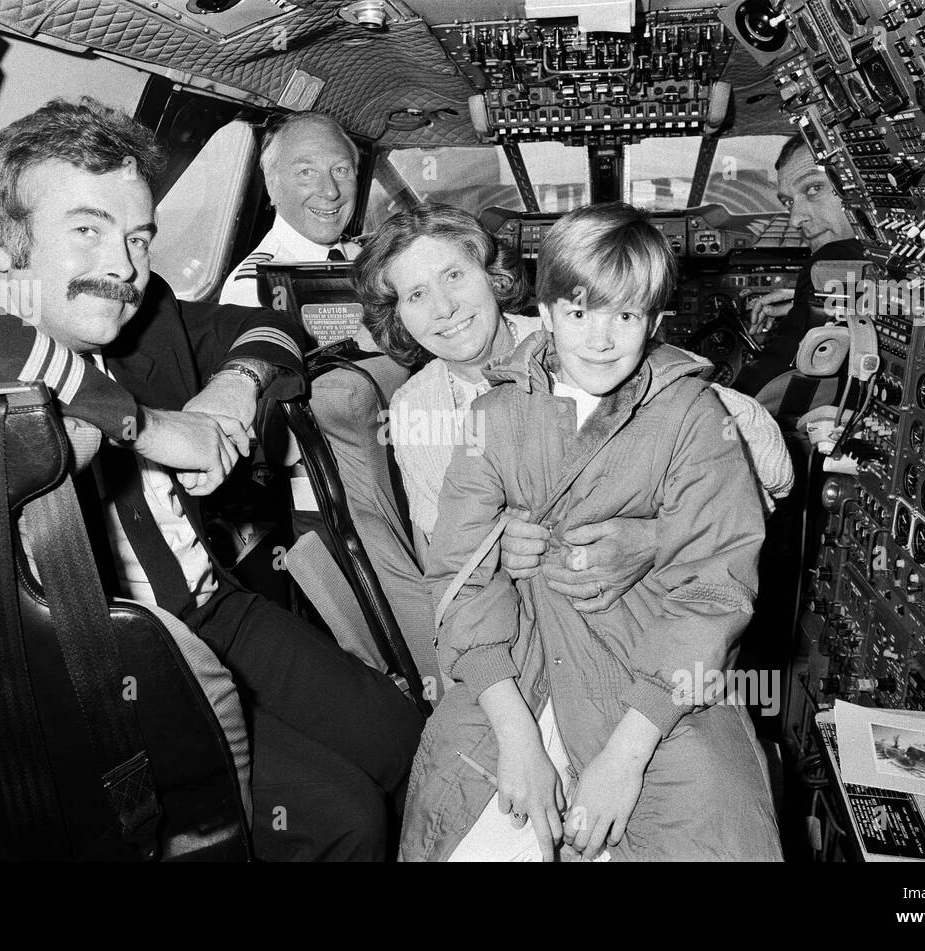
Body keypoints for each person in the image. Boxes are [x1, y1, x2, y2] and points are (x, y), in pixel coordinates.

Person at [0, 97, 422, 862]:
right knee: (343, 816)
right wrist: (141, 421)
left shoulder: (149, 319)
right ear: (6, 252)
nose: (124, 265)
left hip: (217, 607)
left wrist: (231, 387)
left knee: (403, 737)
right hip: (107, 667)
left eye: (138, 236)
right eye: (87, 230)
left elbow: (273, 328)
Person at [400, 202, 783, 862]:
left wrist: (626, 758)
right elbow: (461, 583)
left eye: (625, 315)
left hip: (656, 671)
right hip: (518, 661)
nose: (600, 338)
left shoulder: (693, 413)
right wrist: (519, 738)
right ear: (546, 313)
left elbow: (713, 592)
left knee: (720, 823)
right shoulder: (491, 414)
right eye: (578, 312)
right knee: (448, 811)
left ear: (657, 322)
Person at [354, 203, 792, 611]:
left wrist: (657, 536)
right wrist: (489, 553)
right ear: (398, 316)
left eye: (454, 276)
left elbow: (771, 464)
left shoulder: (581, 340)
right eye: (415, 295)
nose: (444, 308)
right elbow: (440, 554)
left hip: (643, 610)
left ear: (493, 277)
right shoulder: (413, 407)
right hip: (516, 621)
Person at [734, 133, 864, 401]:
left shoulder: (832, 259)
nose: (795, 219)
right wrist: (804, 303)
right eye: (789, 202)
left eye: (813, 188)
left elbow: (760, 396)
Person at [219, 111, 362, 307]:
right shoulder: (257, 291)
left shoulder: (360, 256)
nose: (330, 192)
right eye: (306, 172)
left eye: (341, 170)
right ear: (272, 185)